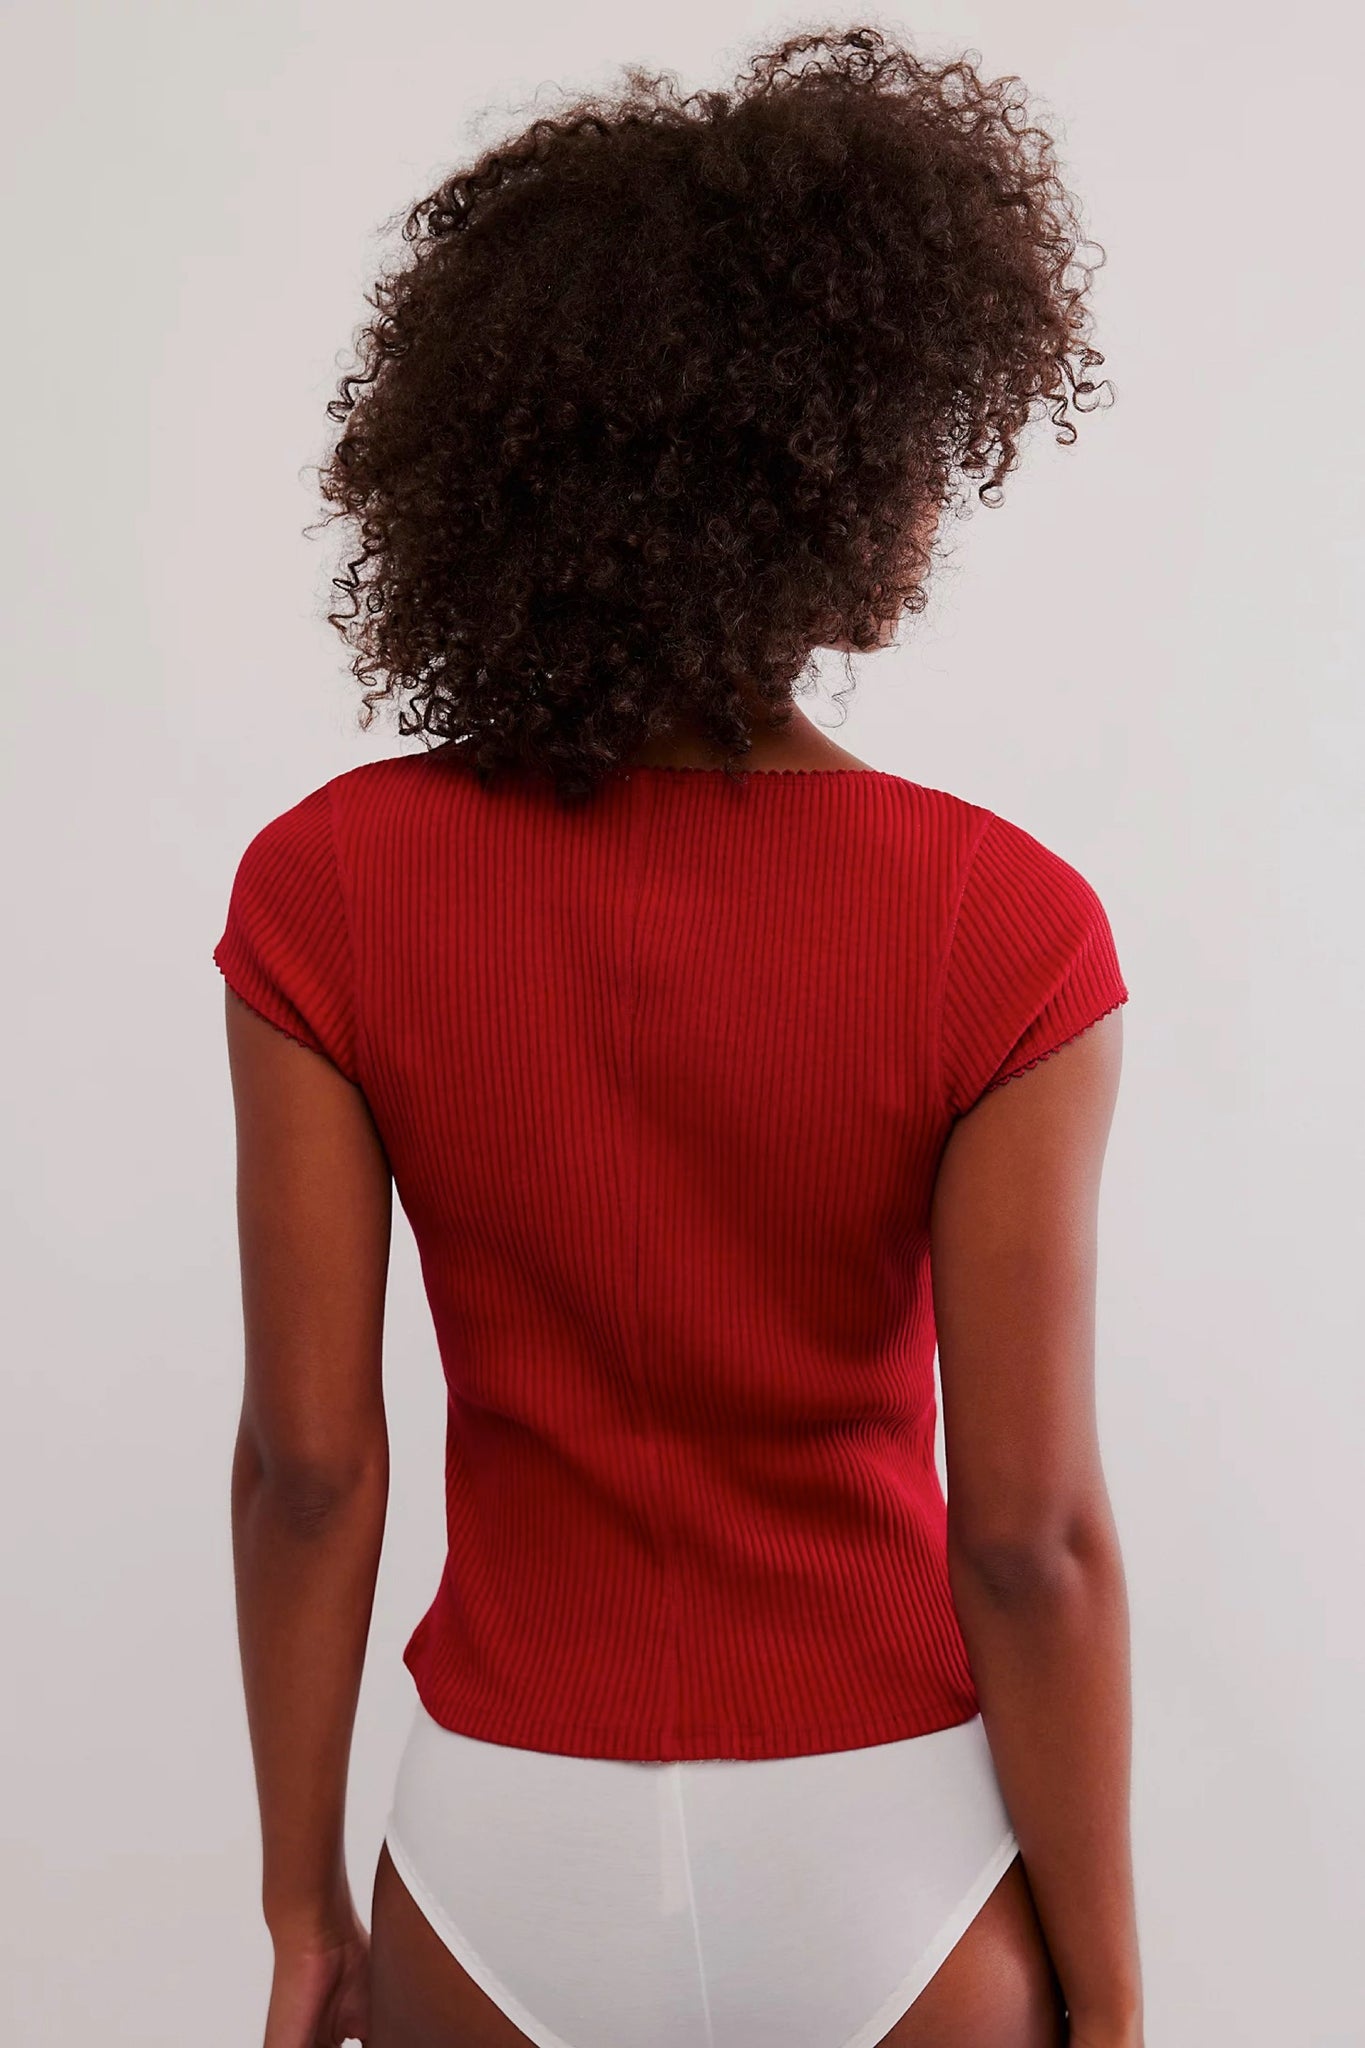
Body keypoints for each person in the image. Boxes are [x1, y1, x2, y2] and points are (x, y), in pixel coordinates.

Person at [213, 25, 1142, 2048]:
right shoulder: (1000, 921)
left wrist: (299, 1902)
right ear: (823, 473)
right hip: (885, 1839)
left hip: (500, 1839)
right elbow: (1028, 1539)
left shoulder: (324, 886)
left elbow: (308, 1465)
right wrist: (1116, 1993)